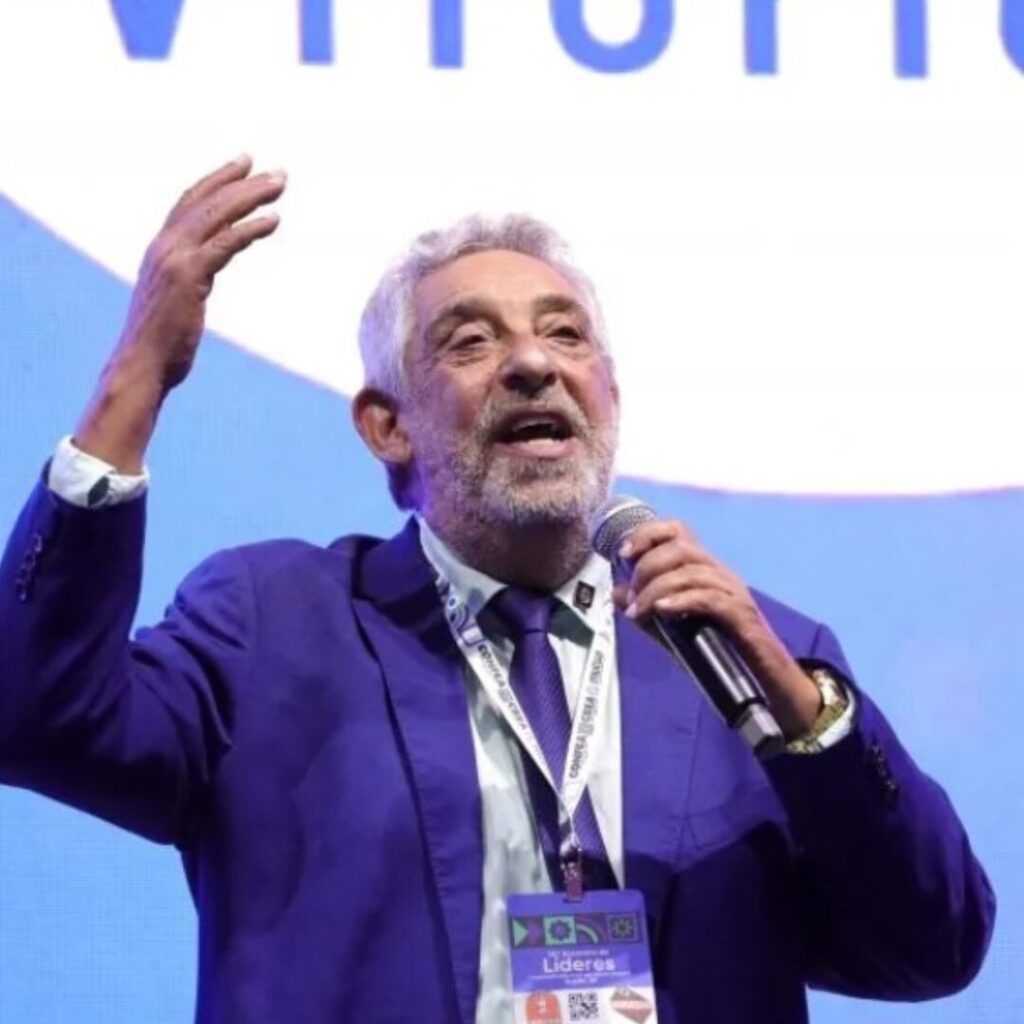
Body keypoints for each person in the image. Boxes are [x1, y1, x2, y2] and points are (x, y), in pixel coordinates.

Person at [0, 157, 995, 1024]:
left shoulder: (746, 655)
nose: (531, 362)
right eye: (470, 342)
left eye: (565, 335)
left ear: (610, 397)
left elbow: (933, 945)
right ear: (388, 425)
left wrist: (809, 721)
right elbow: (32, 716)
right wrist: (136, 377)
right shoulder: (273, 625)